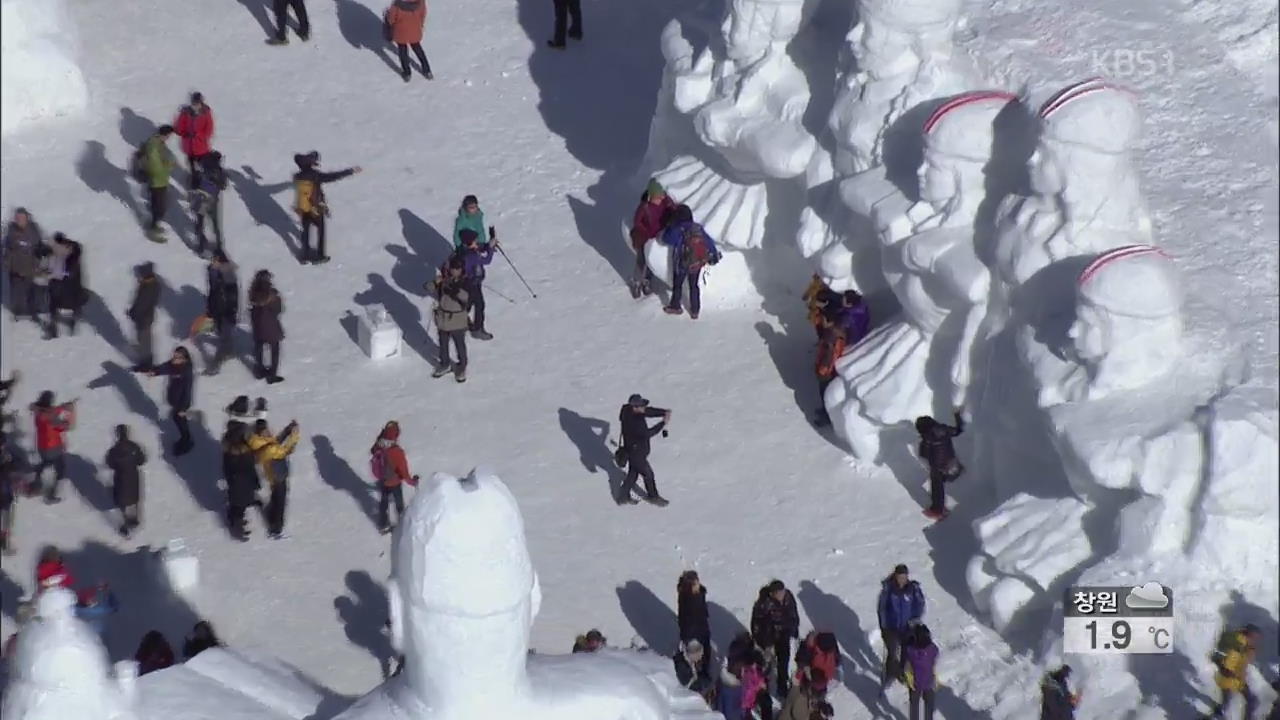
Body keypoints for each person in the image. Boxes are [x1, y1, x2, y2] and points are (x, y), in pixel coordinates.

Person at [291, 151, 361, 264]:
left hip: (304, 208)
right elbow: (333, 176)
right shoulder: (315, 175)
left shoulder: (297, 176)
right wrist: (350, 171)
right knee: (321, 231)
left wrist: (308, 161)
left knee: (306, 231)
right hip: (316, 208)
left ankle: (305, 255)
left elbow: (297, 158)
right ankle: (320, 256)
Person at [248, 418, 300, 539]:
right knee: (280, 503)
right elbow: (285, 450)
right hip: (278, 477)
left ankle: (271, 517)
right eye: (265, 431)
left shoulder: (262, 442)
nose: (269, 432)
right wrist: (294, 436)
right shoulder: (267, 448)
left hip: (274, 476)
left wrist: (288, 430)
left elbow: (277, 441)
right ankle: (276, 530)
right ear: (259, 433)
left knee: (276, 498)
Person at [615, 394, 670, 506]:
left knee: (632, 474)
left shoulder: (626, 409)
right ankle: (653, 496)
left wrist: (663, 412)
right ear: (635, 407)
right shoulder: (636, 423)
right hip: (637, 453)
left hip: (630, 449)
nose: (644, 408)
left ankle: (623, 496)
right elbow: (648, 433)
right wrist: (663, 423)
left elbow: (647, 411)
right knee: (648, 474)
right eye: (641, 406)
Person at [751, 579, 801, 699]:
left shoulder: (788, 598)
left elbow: (794, 614)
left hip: (784, 635)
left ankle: (781, 686)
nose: (781, 595)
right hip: (768, 638)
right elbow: (756, 623)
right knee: (765, 663)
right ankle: (761, 688)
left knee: (784, 661)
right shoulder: (764, 603)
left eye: (782, 592)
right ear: (772, 593)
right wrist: (761, 641)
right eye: (778, 593)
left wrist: (793, 629)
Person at [877, 564, 925, 688]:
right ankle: (890, 674)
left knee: (906, 651)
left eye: (904, 576)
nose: (902, 579)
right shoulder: (889, 590)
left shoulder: (912, 589)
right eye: (899, 576)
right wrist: (884, 625)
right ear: (895, 576)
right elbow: (882, 608)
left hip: (907, 627)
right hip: (891, 627)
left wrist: (915, 619)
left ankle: (902, 672)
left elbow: (919, 604)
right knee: (892, 652)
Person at [662, 219, 720, 319]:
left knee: (678, 285)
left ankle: (675, 306)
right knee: (694, 285)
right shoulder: (698, 228)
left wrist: (670, 227)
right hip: (696, 264)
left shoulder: (679, 229)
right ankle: (695, 310)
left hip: (681, 264)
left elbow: (666, 239)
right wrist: (714, 254)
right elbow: (709, 242)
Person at [914, 410, 965, 520]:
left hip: (938, 467)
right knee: (939, 484)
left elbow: (923, 454)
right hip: (951, 463)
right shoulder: (944, 429)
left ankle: (938, 510)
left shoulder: (927, 438)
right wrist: (958, 416)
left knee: (937, 487)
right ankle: (940, 508)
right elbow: (958, 431)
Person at [145, 346, 196, 456]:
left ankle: (186, 440)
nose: (174, 359)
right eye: (174, 356)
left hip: (181, 402)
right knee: (177, 418)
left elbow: (187, 391)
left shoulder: (186, 371)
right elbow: (166, 367)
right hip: (174, 398)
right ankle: (185, 438)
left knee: (179, 419)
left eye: (177, 357)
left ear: (184, 359)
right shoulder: (174, 365)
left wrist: (183, 408)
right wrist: (155, 371)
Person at [629, 179, 675, 298]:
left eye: (661, 197)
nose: (660, 200)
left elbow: (673, 209)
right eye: (657, 198)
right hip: (645, 237)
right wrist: (644, 233)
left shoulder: (665, 201)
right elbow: (637, 222)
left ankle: (647, 280)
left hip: (658, 237)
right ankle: (636, 282)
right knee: (641, 260)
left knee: (652, 260)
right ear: (651, 196)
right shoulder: (644, 207)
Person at [370, 421, 418, 534]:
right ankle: (402, 526)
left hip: (383, 480)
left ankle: (383, 524)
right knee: (399, 504)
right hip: (395, 482)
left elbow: (373, 451)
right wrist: (412, 482)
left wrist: (381, 436)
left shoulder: (379, 445)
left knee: (384, 503)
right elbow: (404, 473)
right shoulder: (397, 452)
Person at [1206, 624, 1261, 719]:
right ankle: (1217, 715)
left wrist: (1250, 652)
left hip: (1237, 681)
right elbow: (1217, 657)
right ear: (1248, 634)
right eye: (1254, 637)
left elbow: (1242, 665)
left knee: (1251, 701)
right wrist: (1226, 670)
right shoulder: (1234, 641)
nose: (1255, 640)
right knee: (1247, 701)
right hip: (1228, 679)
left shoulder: (1247, 647)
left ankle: (1218, 714)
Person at [429, 258, 471, 382]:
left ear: (461, 269)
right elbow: (428, 287)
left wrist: (455, 291)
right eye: (453, 268)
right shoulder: (444, 280)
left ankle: (462, 367)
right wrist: (435, 283)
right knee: (443, 343)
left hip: (457, 319)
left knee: (459, 344)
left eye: (457, 268)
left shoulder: (466, 282)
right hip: (443, 318)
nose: (454, 271)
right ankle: (445, 363)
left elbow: (467, 298)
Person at [30, 391, 75, 504]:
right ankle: (51, 495)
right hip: (53, 448)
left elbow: (51, 411)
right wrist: (69, 414)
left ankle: (36, 482)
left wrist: (63, 407)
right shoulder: (52, 419)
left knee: (45, 463)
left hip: (41, 446)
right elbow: (65, 426)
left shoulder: (38, 411)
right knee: (60, 469)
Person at [3, 208, 45, 322]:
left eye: (22, 218)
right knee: (17, 292)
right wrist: (7, 263)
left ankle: (33, 311)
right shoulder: (11, 230)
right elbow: (7, 249)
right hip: (15, 268)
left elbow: (39, 247)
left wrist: (37, 263)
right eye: (17, 218)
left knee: (31, 290)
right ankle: (18, 312)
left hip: (30, 267)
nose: (19, 220)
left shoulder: (33, 230)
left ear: (27, 218)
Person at [105, 424, 147, 537]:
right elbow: (142, 460)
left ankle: (125, 523)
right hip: (133, 476)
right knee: (134, 497)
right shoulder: (134, 447)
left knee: (122, 500)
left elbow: (110, 464)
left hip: (120, 477)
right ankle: (135, 519)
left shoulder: (114, 450)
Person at [221, 422, 260, 541]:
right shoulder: (236, 450)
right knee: (240, 504)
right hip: (241, 481)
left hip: (241, 481)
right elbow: (245, 466)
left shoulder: (233, 447)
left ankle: (233, 517)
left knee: (239, 503)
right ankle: (238, 532)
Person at [455, 229, 496, 340]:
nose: (477, 242)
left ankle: (459, 322)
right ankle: (477, 329)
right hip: (472, 284)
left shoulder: (463, 250)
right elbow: (486, 260)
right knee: (479, 305)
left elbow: (479, 249)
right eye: (474, 240)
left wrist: (487, 246)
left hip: (467, 283)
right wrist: (491, 249)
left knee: (468, 303)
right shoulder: (472, 256)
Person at [43, 232, 85, 339]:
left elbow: (71, 272)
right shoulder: (54, 253)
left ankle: (72, 323)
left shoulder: (72, 256)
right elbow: (47, 266)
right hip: (56, 286)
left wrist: (55, 274)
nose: (55, 248)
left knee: (69, 306)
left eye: (56, 245)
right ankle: (53, 329)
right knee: (53, 306)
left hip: (68, 287)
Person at [811, 309, 847, 427]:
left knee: (824, 393)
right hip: (832, 369)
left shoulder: (830, 338)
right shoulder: (836, 332)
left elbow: (828, 356)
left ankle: (826, 417)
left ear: (828, 321)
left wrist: (821, 370)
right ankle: (825, 412)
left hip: (827, 371)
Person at [205, 251, 239, 373]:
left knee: (224, 336)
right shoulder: (215, 272)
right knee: (222, 334)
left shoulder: (228, 274)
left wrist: (231, 311)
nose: (213, 262)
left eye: (215, 260)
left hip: (226, 310)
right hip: (217, 308)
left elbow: (232, 295)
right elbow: (212, 290)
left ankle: (215, 365)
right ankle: (228, 351)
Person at [248, 270, 284, 383]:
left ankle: (259, 370)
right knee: (275, 349)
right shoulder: (271, 294)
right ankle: (272, 375)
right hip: (271, 326)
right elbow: (278, 309)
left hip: (258, 326)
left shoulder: (253, 294)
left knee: (259, 347)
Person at [142, 125, 177, 242]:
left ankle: (154, 225)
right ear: (165, 135)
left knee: (158, 206)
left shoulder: (157, 143)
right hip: (157, 181)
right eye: (168, 136)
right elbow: (155, 167)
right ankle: (152, 231)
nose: (168, 138)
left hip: (159, 180)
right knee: (159, 207)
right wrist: (168, 167)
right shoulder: (153, 146)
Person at [173, 92, 215, 190]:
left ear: (201, 103)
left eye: (197, 104)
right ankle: (195, 187)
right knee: (193, 168)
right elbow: (179, 127)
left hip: (202, 148)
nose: (195, 106)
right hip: (189, 147)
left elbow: (209, 130)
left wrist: (199, 135)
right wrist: (183, 133)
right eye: (193, 104)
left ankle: (205, 186)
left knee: (204, 168)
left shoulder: (206, 113)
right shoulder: (186, 113)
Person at [384, 0, 433, 81]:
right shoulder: (420, 2)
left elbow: (391, 19)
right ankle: (427, 71)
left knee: (402, 51)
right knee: (418, 49)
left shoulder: (397, 3)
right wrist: (420, 23)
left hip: (401, 32)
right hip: (415, 30)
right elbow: (423, 14)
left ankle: (407, 73)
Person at [677, 570, 712, 679]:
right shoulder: (691, 599)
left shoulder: (689, 595)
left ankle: (703, 670)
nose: (698, 584)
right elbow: (693, 617)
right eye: (696, 582)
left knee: (704, 654)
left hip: (698, 631)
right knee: (699, 656)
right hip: (695, 635)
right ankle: (700, 674)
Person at [192, 151, 227, 256]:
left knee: (200, 223)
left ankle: (201, 245)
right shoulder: (220, 172)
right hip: (212, 201)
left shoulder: (200, 170)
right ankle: (219, 248)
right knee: (216, 225)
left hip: (201, 200)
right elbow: (223, 186)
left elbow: (193, 184)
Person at [128, 262, 161, 371]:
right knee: (144, 341)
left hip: (143, 319)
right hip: (146, 317)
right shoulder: (151, 284)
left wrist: (133, 313)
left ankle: (146, 365)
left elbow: (141, 305)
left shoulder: (148, 287)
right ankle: (146, 362)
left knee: (144, 342)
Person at [903, 624, 939, 720]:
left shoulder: (911, 651)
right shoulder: (932, 650)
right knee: (929, 705)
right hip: (929, 682)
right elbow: (935, 653)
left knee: (914, 705)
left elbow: (906, 666)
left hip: (915, 683)